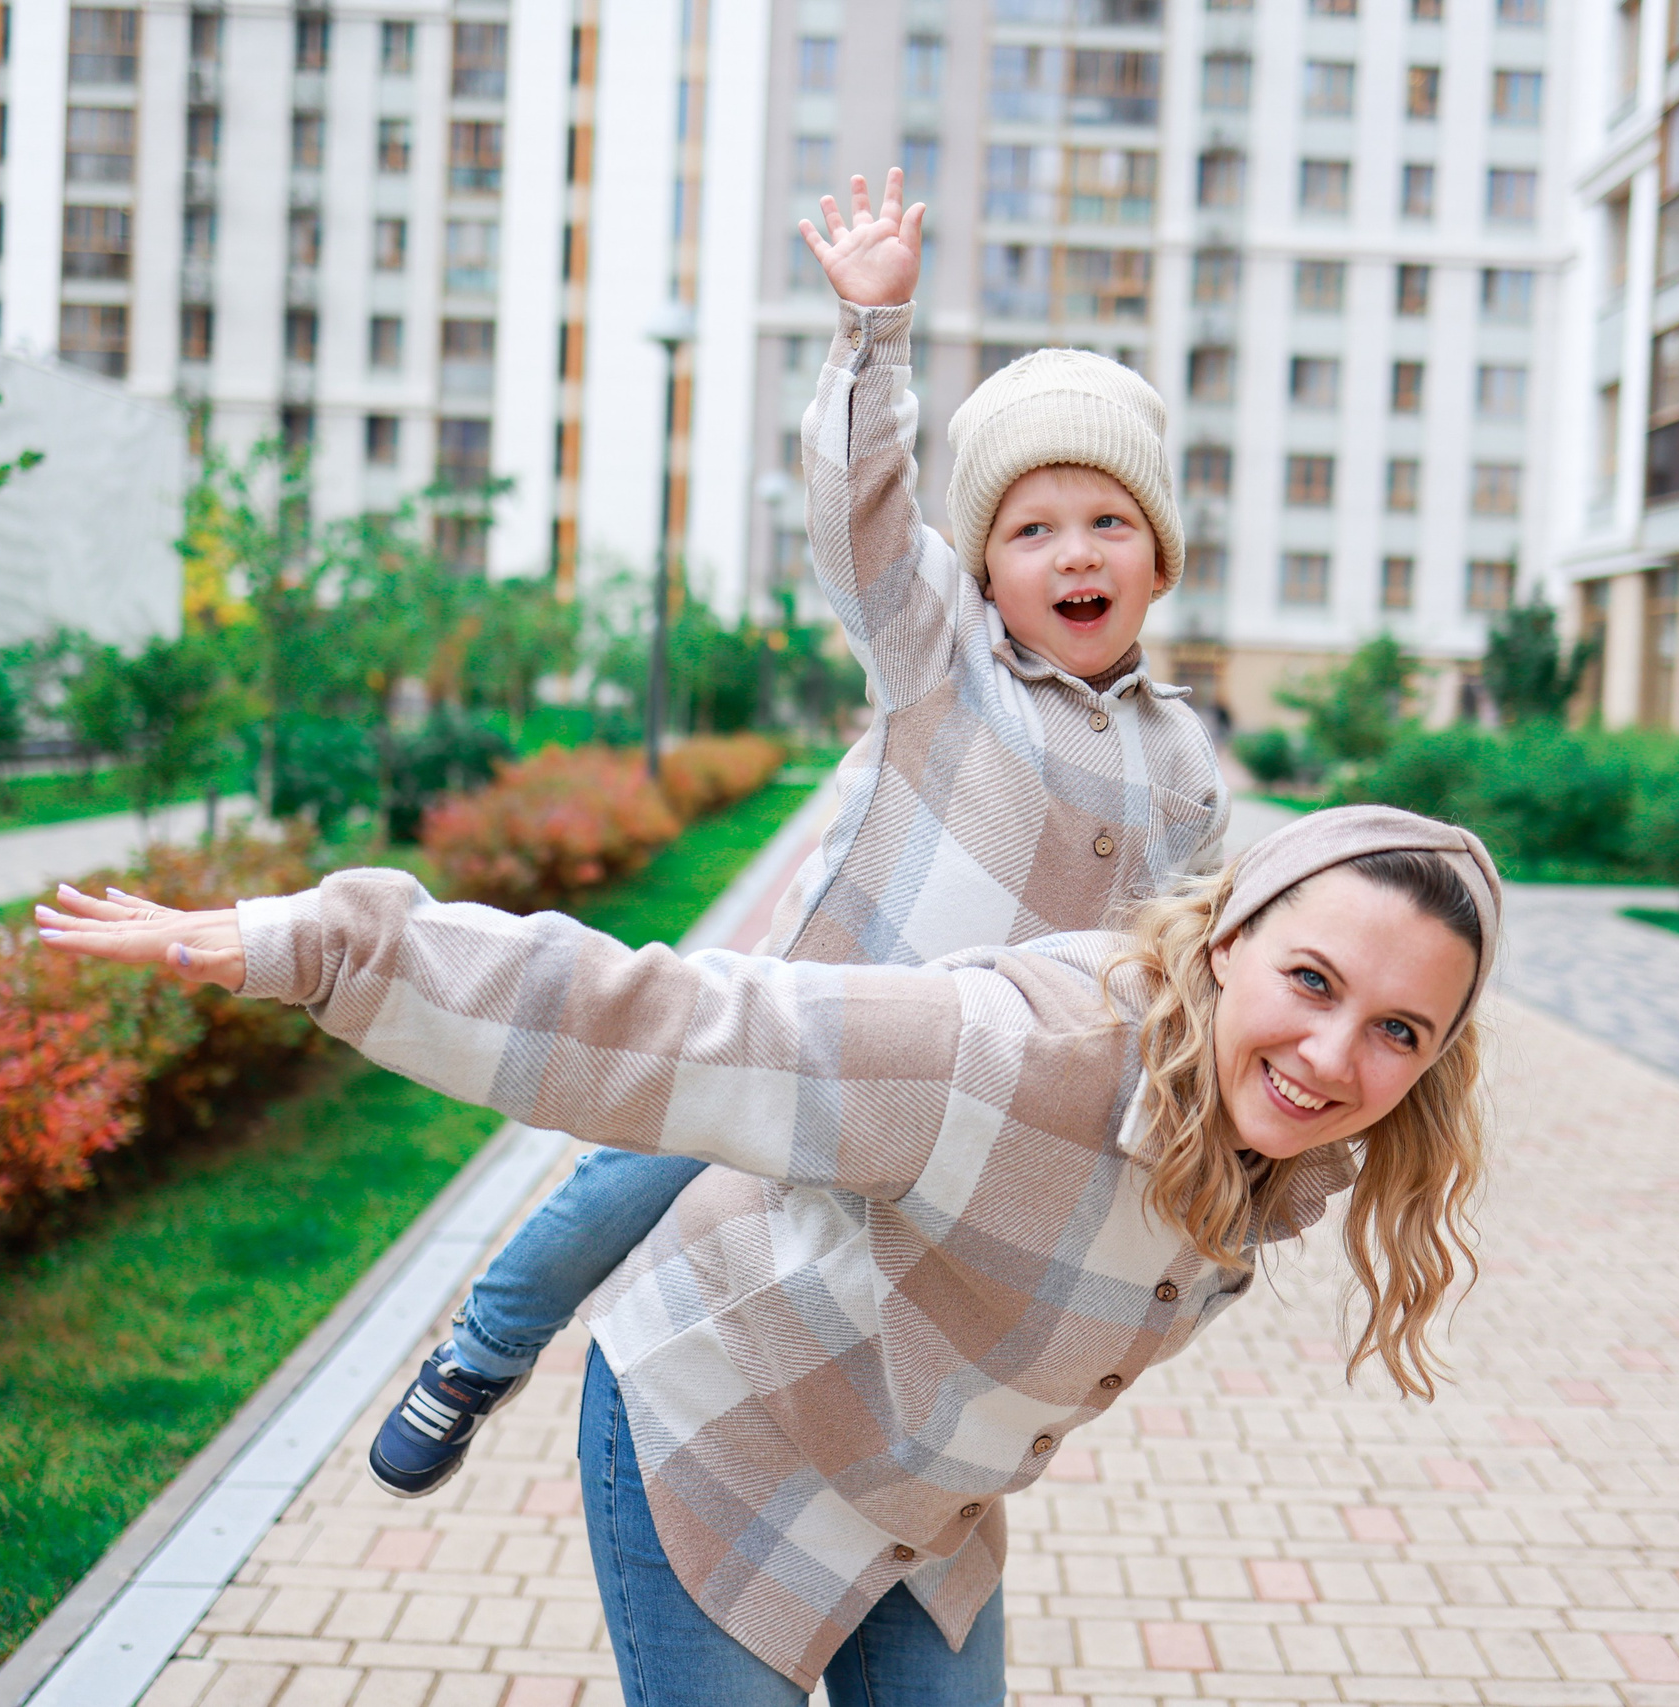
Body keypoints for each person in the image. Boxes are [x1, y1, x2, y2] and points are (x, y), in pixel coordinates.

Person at [35, 801, 1500, 1707]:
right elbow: (667, 1022)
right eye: (1310, 980)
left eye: (1397, 1032)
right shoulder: (1005, 1055)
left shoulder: (1287, 1155)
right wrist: (313, 942)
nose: (1332, 1055)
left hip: (919, 1505)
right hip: (725, 1436)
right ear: (1230, 939)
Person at [351, 167, 1232, 1502]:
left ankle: (849, 1491)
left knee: (892, 1293)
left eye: (1109, 523)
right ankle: (489, 1343)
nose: (1075, 556)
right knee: (638, 1166)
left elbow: (1187, 951)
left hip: (980, 1094)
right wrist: (872, 337)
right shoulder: (945, 659)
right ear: (983, 566)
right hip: (816, 1025)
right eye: (1034, 530)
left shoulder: (1183, 762)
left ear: (1159, 558)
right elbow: (861, 528)